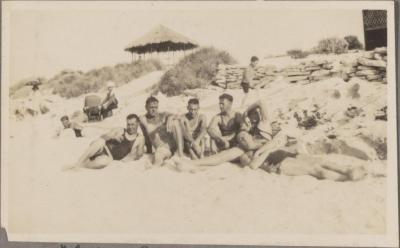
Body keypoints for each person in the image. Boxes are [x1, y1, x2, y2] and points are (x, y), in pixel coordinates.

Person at [65, 114, 145, 170]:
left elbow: (139, 154)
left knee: (104, 162)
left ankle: (82, 166)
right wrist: (113, 137)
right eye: (128, 124)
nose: (130, 127)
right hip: (101, 148)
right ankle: (78, 163)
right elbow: (102, 137)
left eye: (133, 124)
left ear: (138, 124)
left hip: (109, 157)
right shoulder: (120, 130)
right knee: (100, 142)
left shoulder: (139, 138)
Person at [139, 96, 184, 167]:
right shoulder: (144, 119)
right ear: (146, 107)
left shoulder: (163, 115)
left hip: (175, 146)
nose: (154, 110)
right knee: (158, 157)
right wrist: (149, 151)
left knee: (175, 122)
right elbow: (146, 136)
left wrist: (170, 118)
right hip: (163, 149)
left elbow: (179, 117)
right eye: (151, 107)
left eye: (156, 107)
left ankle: (180, 154)